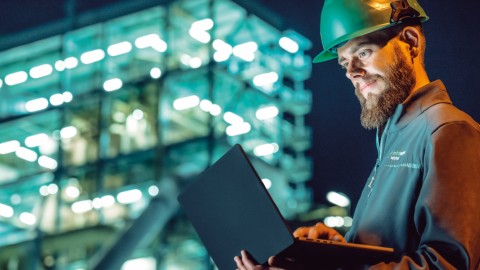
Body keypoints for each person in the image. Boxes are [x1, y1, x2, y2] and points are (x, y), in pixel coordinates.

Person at [234, 0, 480, 269]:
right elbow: (391, 252)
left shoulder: (448, 130)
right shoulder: (394, 140)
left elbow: (448, 264)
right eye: (344, 64)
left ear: (410, 41)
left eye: (363, 53)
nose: (352, 72)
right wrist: (337, 252)